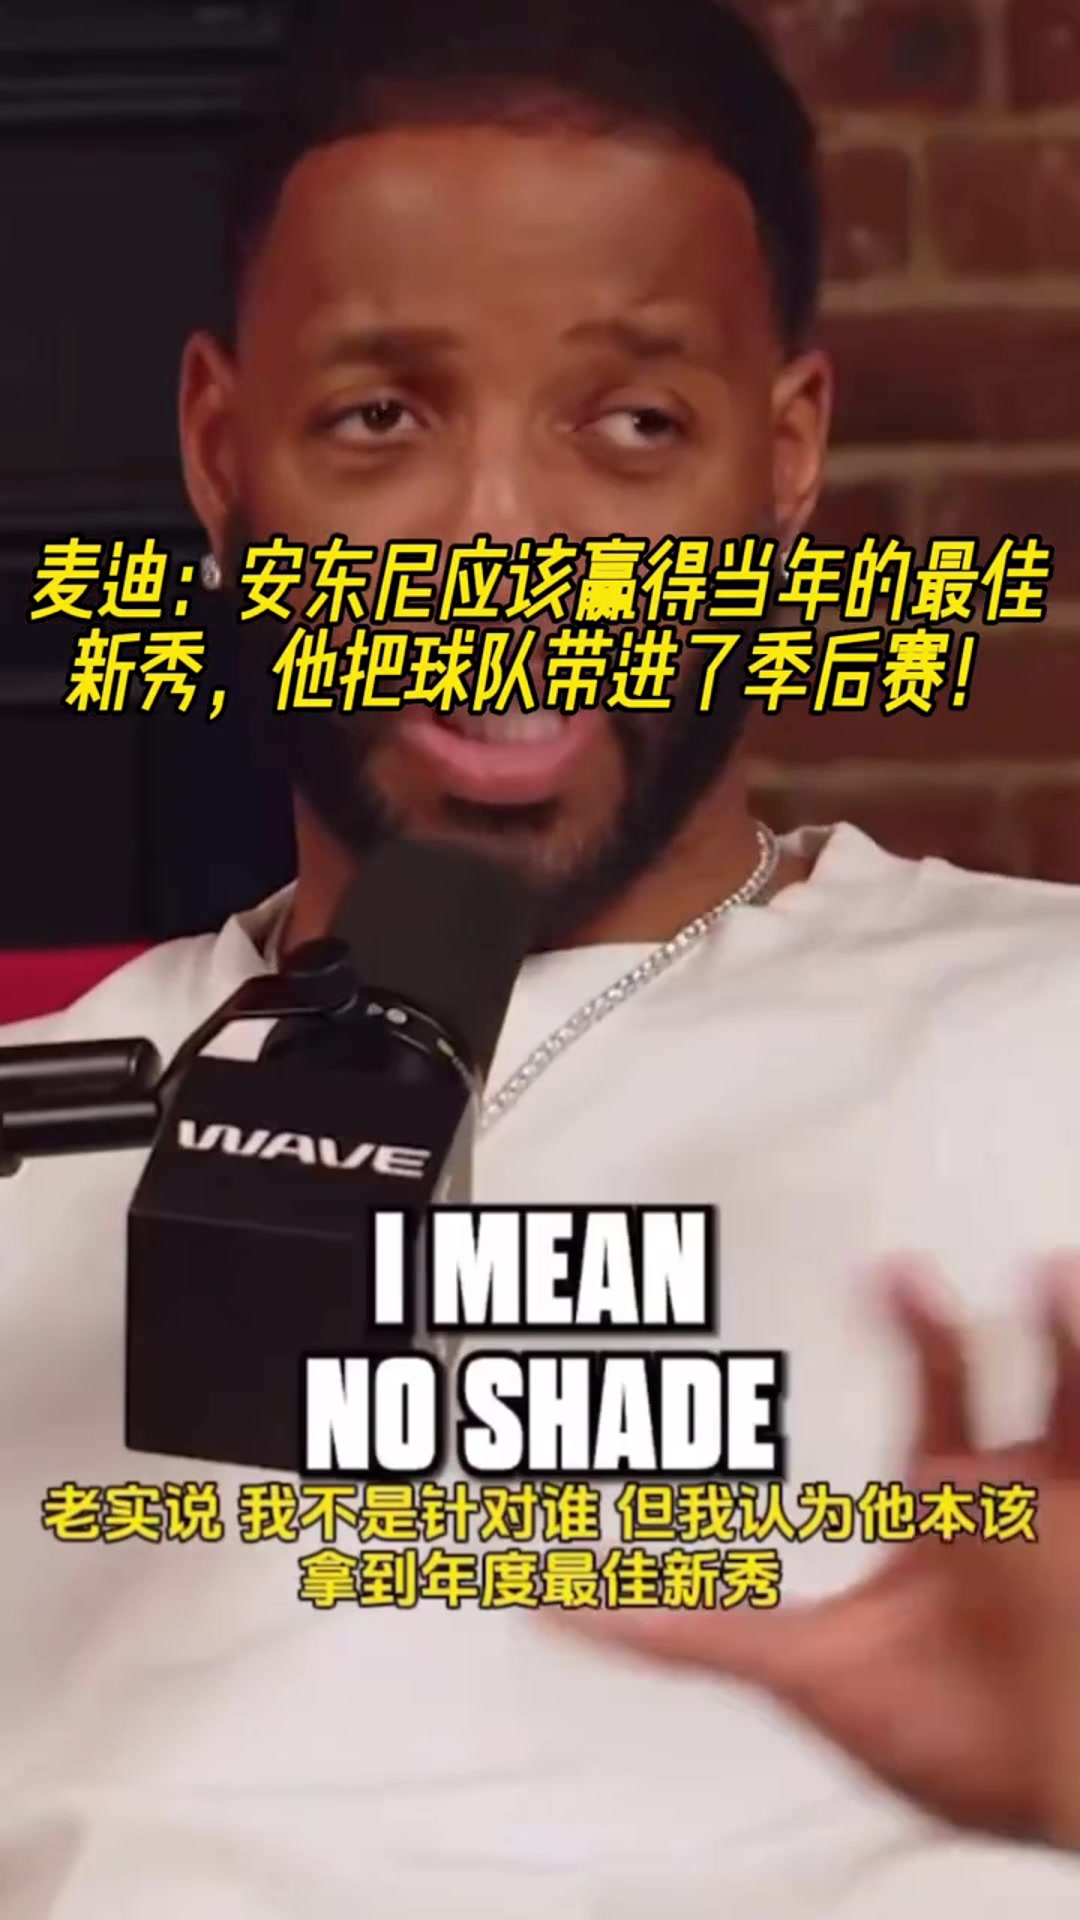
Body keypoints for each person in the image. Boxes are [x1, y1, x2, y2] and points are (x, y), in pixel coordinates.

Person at [1, 1, 1077, 1912]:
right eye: (382, 418)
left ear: (785, 459)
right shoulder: (35, 1135)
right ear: (223, 453)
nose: (502, 543)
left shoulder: (1043, 1029)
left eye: (634, 423)